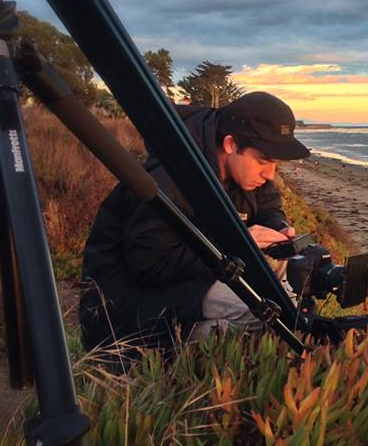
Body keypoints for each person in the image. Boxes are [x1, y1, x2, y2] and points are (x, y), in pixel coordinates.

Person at [78, 92, 310, 363]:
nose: (269, 174)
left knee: (279, 275)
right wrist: (235, 246)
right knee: (262, 311)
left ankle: (227, 348)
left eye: (276, 164)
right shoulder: (171, 177)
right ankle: (167, 361)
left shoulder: (242, 173)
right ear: (230, 143)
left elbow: (268, 203)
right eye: (263, 161)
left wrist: (278, 229)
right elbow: (147, 265)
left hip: (189, 276)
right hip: (126, 306)